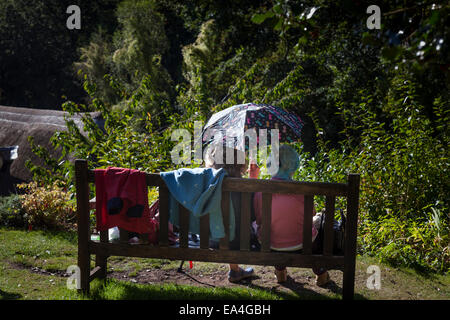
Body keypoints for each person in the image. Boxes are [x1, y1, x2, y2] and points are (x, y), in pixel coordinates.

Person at [252, 144, 330, 286]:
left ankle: (280, 270)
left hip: (271, 245)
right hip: (304, 243)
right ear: (293, 166)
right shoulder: (303, 190)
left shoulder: (261, 191)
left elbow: (259, 219)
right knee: (315, 226)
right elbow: (311, 214)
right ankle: (321, 272)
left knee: (270, 228)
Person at [204, 144, 256, 283]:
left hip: (213, 240)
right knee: (237, 227)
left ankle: (235, 270)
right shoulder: (244, 186)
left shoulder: (210, 185)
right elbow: (253, 216)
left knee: (224, 226)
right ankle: (235, 270)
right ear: (240, 162)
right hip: (242, 241)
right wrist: (254, 182)